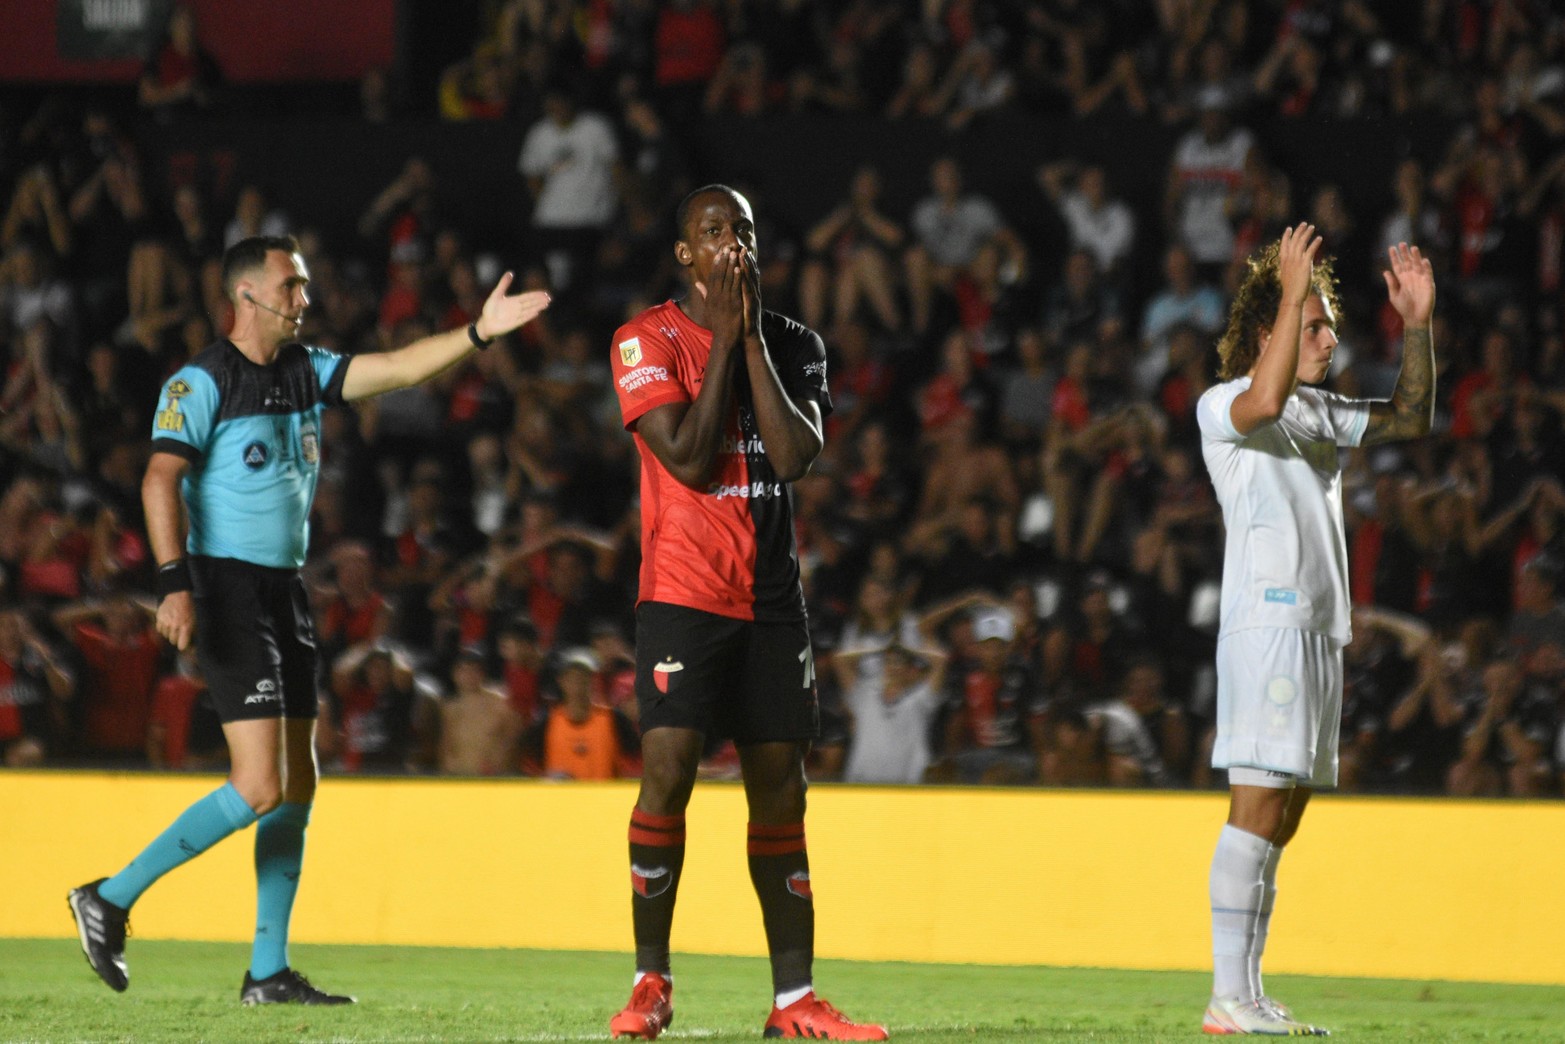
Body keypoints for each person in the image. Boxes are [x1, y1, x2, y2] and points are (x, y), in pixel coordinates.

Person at [67, 234, 549, 1003]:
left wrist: (479, 332)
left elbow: (394, 369)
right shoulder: (200, 381)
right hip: (224, 589)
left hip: (282, 592)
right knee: (259, 786)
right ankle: (110, 898)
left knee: (297, 785)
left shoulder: (304, 370)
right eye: (292, 286)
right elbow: (159, 481)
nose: (305, 299)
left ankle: (267, 971)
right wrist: (174, 585)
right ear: (248, 296)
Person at [606, 186, 886, 1041]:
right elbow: (688, 458)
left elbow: (797, 455)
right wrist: (724, 336)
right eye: (714, 233)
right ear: (686, 255)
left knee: (780, 795)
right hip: (683, 595)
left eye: (745, 232)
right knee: (667, 775)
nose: (733, 245)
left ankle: (793, 1002)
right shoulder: (643, 339)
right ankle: (651, 983)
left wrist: (749, 335)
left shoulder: (796, 343)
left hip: (771, 601)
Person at [1195, 225, 1435, 1035]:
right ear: (1270, 334)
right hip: (1266, 629)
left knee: (1283, 816)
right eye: (1314, 324)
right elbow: (1260, 400)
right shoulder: (1225, 404)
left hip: (1317, 632)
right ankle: (1225, 998)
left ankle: (1249, 992)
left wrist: (1420, 325)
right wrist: (1293, 288)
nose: (1331, 338)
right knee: (1255, 806)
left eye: (1329, 324)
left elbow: (1411, 417)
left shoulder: (1319, 413)